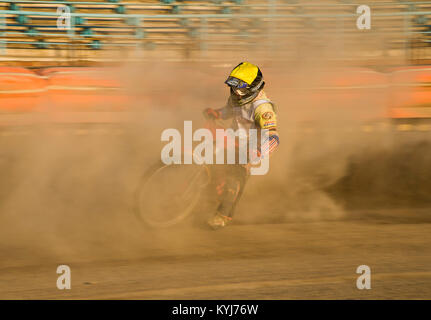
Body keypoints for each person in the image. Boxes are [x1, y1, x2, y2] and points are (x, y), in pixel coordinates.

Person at [203, 62, 280, 230]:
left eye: (241, 89)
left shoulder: (263, 108)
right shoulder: (235, 98)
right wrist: (216, 113)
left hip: (250, 148)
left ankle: (222, 216)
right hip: (232, 139)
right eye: (234, 87)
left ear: (253, 88)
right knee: (207, 154)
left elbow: (274, 138)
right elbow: (229, 111)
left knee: (235, 179)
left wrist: (259, 153)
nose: (236, 92)